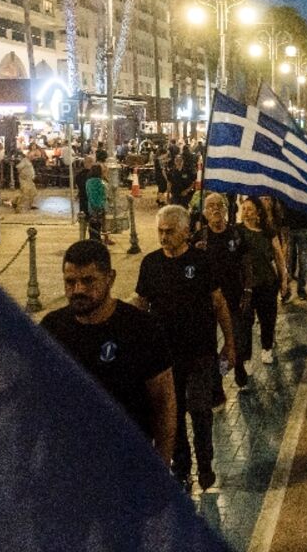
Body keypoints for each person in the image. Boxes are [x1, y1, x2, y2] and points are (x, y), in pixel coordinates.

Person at [40, 241, 177, 467]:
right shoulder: (52, 328)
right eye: (70, 282)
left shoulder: (141, 328)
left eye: (88, 280)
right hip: (70, 468)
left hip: (127, 465)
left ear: (110, 278)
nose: (78, 290)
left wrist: (161, 468)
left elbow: (164, 403)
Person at [130, 205, 236, 493]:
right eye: (160, 232)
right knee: (171, 414)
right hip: (164, 357)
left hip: (201, 353)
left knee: (200, 409)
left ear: (186, 232)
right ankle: (181, 468)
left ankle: (205, 466)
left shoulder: (202, 262)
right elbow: (141, 303)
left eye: (170, 232)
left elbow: (219, 303)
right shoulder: (150, 264)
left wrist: (230, 342)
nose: (164, 237)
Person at [197, 193, 255, 388]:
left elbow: (247, 263)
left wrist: (247, 289)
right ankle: (218, 380)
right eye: (210, 206)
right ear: (204, 212)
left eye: (219, 205)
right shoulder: (200, 237)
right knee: (209, 344)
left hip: (233, 297)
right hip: (207, 301)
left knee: (235, 339)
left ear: (226, 209)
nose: (215, 209)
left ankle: (234, 366)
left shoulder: (235, 234)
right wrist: (195, 253)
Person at [238, 197, 289, 367]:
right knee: (245, 323)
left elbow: (279, 256)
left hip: (267, 283)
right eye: (243, 208)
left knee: (268, 319)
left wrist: (284, 280)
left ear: (258, 212)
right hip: (246, 286)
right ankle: (246, 358)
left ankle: (266, 349)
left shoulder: (268, 231)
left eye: (249, 209)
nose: (245, 212)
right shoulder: (237, 232)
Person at [284, 205, 307, 301]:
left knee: (288, 260)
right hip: (304, 225)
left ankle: (286, 290)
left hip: (290, 226)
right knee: (303, 260)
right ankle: (301, 290)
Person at [86, 159, 112, 245]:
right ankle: (98, 241)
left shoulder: (89, 181)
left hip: (92, 206)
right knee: (99, 225)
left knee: (94, 225)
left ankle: (95, 240)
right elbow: (103, 194)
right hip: (100, 206)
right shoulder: (99, 182)